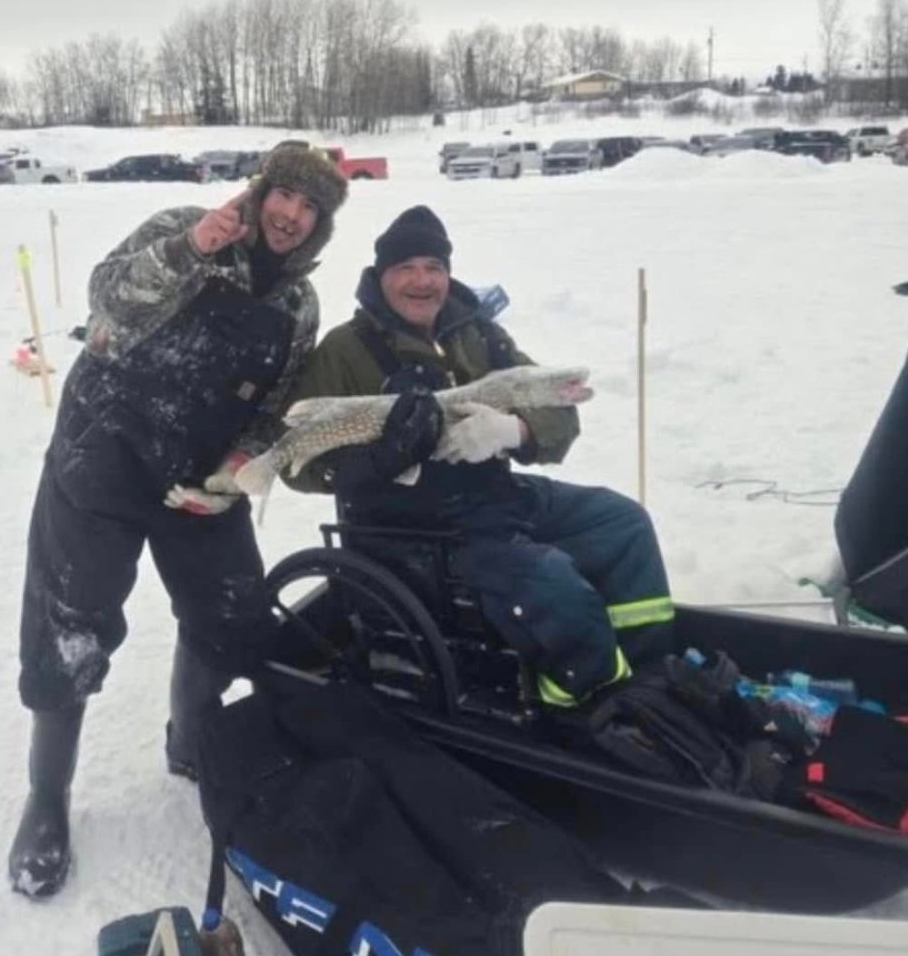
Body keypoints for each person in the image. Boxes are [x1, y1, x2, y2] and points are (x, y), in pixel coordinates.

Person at [8, 142, 349, 897]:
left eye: (310, 210)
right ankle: (47, 797)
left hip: (198, 476)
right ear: (263, 194)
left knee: (233, 612)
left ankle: (190, 740)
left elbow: (273, 410)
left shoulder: (298, 304)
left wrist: (235, 471)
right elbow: (107, 300)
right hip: (103, 454)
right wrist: (192, 249)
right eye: (284, 198)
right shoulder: (187, 228)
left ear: (320, 224)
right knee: (71, 622)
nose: (291, 216)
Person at [285, 205, 674, 708]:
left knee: (622, 523)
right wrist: (385, 456)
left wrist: (515, 431)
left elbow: (558, 403)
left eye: (435, 268)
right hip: (415, 528)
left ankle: (645, 671)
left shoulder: (477, 333)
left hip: (496, 495)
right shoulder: (344, 350)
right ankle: (584, 699)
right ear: (381, 277)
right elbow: (303, 466)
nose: (422, 281)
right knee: (551, 580)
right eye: (406, 268)